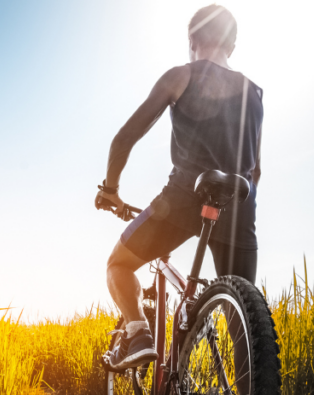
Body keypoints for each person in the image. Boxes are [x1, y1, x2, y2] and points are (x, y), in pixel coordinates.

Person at [97, 4, 264, 371]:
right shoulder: (255, 94)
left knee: (118, 265)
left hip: (185, 198)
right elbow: (255, 171)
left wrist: (110, 189)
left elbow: (125, 138)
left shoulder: (182, 75)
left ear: (192, 40)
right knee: (245, 324)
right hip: (239, 207)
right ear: (232, 45)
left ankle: (139, 333)